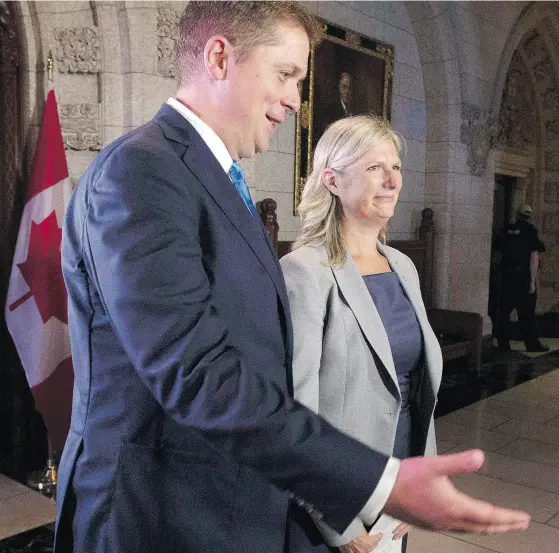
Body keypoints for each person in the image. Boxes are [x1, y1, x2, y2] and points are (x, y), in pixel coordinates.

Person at [55, 3, 530, 553]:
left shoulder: (216, 179)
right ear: (218, 57)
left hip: (226, 507)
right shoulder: (142, 170)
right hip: (157, 515)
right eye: (285, 75)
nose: (295, 100)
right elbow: (196, 373)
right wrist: (375, 483)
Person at [281, 115, 442, 553]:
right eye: (374, 168)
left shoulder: (402, 266)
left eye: (396, 167)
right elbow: (297, 411)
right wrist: (340, 521)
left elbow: (415, 389)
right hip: (337, 498)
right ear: (332, 180)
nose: (392, 180)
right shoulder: (305, 272)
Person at [495, 204, 548, 352]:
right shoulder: (530, 232)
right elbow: (534, 257)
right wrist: (532, 282)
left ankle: (503, 344)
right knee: (527, 314)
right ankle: (532, 344)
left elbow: (497, 251)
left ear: (517, 215)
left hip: (506, 277)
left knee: (504, 312)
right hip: (522, 278)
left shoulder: (506, 229)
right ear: (529, 216)